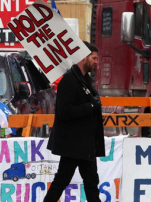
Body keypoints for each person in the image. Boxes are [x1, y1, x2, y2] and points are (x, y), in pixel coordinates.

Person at [44, 41, 105, 202]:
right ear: (83, 58)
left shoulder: (85, 80)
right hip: (73, 144)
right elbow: (64, 112)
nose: (96, 62)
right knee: (61, 181)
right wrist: (91, 105)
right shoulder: (69, 81)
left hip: (86, 144)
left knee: (92, 183)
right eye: (94, 58)